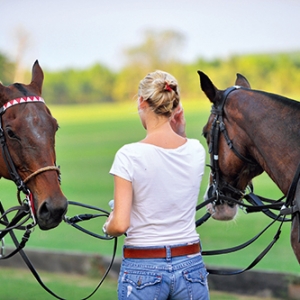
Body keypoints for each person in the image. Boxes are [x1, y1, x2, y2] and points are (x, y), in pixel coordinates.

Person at [103, 70, 209, 300]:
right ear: (174, 105)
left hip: (143, 268)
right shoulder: (196, 150)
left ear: (142, 101)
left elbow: (120, 225)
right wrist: (180, 132)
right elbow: (175, 171)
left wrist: (107, 225)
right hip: (191, 266)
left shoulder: (128, 155)